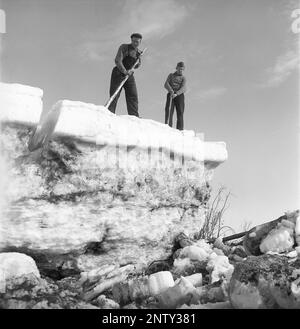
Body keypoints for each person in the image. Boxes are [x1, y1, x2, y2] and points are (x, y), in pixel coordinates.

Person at [108, 33, 143, 117]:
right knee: (114, 94)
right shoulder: (124, 47)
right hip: (119, 72)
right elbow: (117, 60)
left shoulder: (138, 52)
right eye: (134, 41)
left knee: (133, 95)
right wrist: (125, 71)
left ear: (140, 42)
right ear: (131, 40)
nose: (135, 43)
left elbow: (137, 65)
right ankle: (109, 114)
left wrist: (138, 63)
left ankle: (134, 117)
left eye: (137, 42)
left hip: (129, 75)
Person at [164, 62, 186, 130]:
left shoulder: (183, 78)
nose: (180, 70)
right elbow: (166, 84)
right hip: (171, 94)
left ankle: (180, 129)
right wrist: (171, 92)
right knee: (169, 110)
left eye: (182, 69)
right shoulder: (171, 75)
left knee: (180, 112)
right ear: (176, 68)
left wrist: (176, 93)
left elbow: (184, 88)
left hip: (179, 95)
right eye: (179, 69)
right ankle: (168, 127)